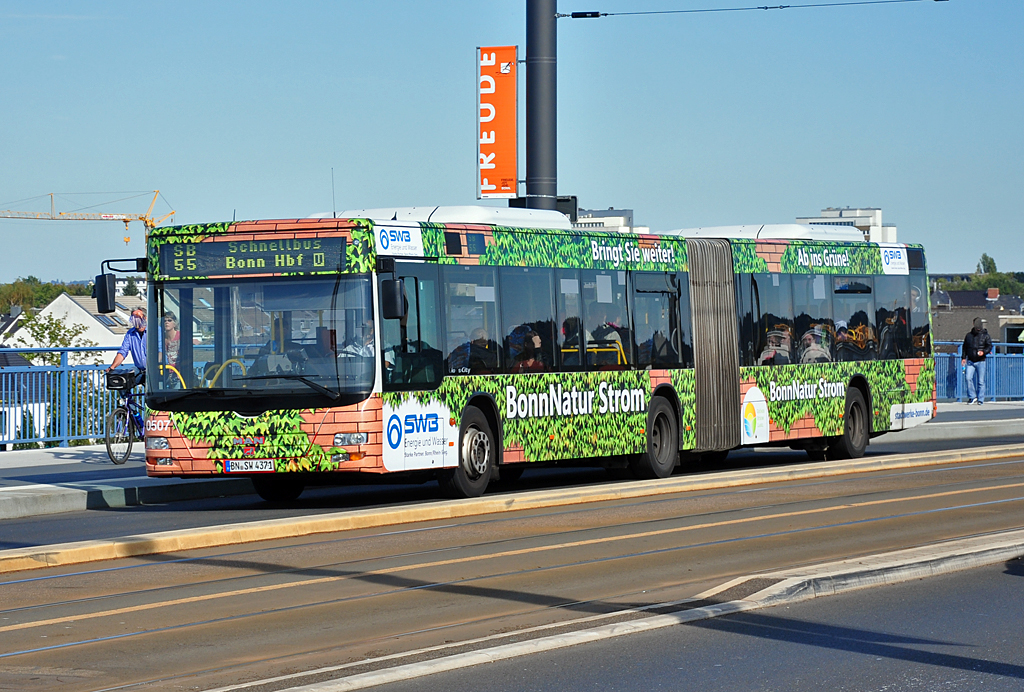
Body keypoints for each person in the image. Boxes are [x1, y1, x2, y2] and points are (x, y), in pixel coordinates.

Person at [108, 308, 147, 385]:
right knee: (123, 380)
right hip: (139, 369)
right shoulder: (130, 333)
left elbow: (160, 351)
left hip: (155, 370)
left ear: (145, 318)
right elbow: (123, 352)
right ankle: (125, 397)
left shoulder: (156, 331)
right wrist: (112, 367)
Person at [962, 317, 992, 405]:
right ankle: (972, 397)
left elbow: (989, 346)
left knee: (981, 381)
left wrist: (983, 352)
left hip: (981, 361)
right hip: (970, 361)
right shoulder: (969, 336)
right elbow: (965, 347)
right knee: (968, 378)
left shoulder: (985, 335)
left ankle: (981, 399)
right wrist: (963, 358)